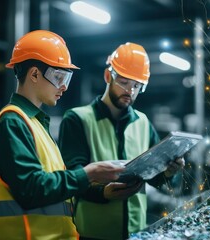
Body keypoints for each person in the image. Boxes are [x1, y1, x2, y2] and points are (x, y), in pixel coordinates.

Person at [0, 30, 125, 240]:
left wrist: (100, 192)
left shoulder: (35, 123)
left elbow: (54, 187)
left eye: (66, 78)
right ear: (33, 74)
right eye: (58, 76)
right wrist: (88, 174)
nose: (64, 86)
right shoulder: (12, 122)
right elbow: (32, 189)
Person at [58, 42, 185, 240]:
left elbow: (155, 177)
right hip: (92, 233)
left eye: (136, 86)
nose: (130, 91)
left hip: (136, 232)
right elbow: (72, 178)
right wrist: (103, 193)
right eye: (124, 82)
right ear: (108, 76)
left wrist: (169, 171)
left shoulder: (143, 122)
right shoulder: (77, 119)